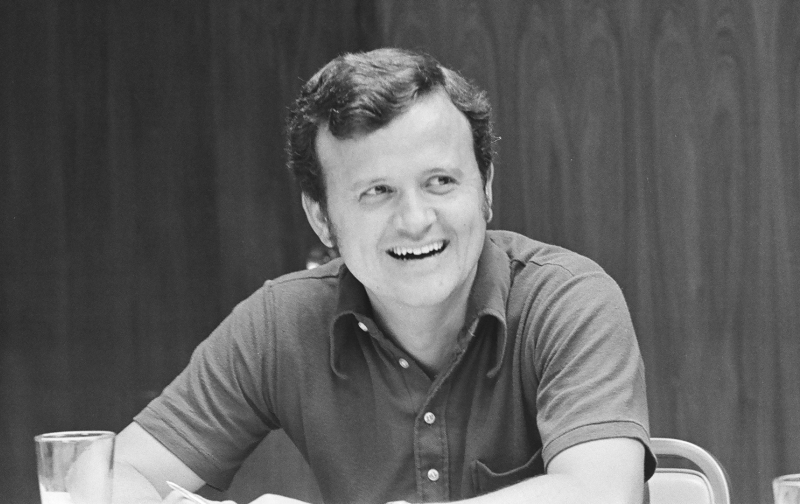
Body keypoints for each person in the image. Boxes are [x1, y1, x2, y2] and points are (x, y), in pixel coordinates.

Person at [113, 48, 656, 504]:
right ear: (321, 217)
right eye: (377, 191)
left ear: (486, 187)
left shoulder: (567, 300)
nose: (416, 220)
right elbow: (117, 471)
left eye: (441, 181)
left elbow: (601, 492)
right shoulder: (281, 323)